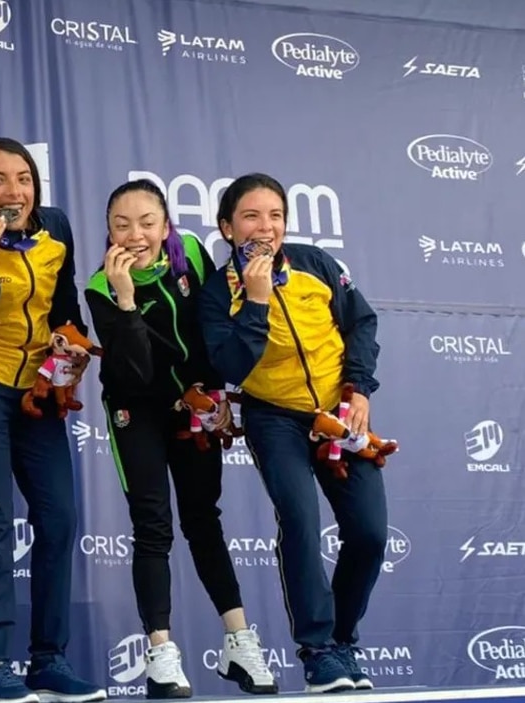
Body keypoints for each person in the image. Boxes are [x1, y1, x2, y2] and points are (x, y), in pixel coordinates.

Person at [84, 179, 278, 698]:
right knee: (152, 526)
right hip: (136, 410)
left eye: (147, 222)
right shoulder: (100, 286)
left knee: (203, 518)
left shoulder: (190, 252)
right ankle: (161, 654)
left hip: (193, 405)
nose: (136, 235)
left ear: (166, 225)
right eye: (122, 225)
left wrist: (214, 397)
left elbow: (211, 329)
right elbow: (138, 371)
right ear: (109, 232)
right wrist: (127, 300)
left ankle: (239, 642)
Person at [198, 173, 388, 694]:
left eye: (275, 216)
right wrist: (256, 301)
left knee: (370, 533)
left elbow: (361, 323)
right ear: (227, 227)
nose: (266, 227)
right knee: (301, 521)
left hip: (340, 411)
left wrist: (359, 390)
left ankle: (344, 639)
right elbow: (231, 365)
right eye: (251, 216)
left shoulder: (315, 263)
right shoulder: (216, 293)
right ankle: (318, 650)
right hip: (274, 418)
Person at [0, 137, 106, 703]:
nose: (14, 191)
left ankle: (48, 660)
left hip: (38, 388)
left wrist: (70, 342)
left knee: (58, 519)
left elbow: (65, 307)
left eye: (24, 178)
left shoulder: (55, 228)